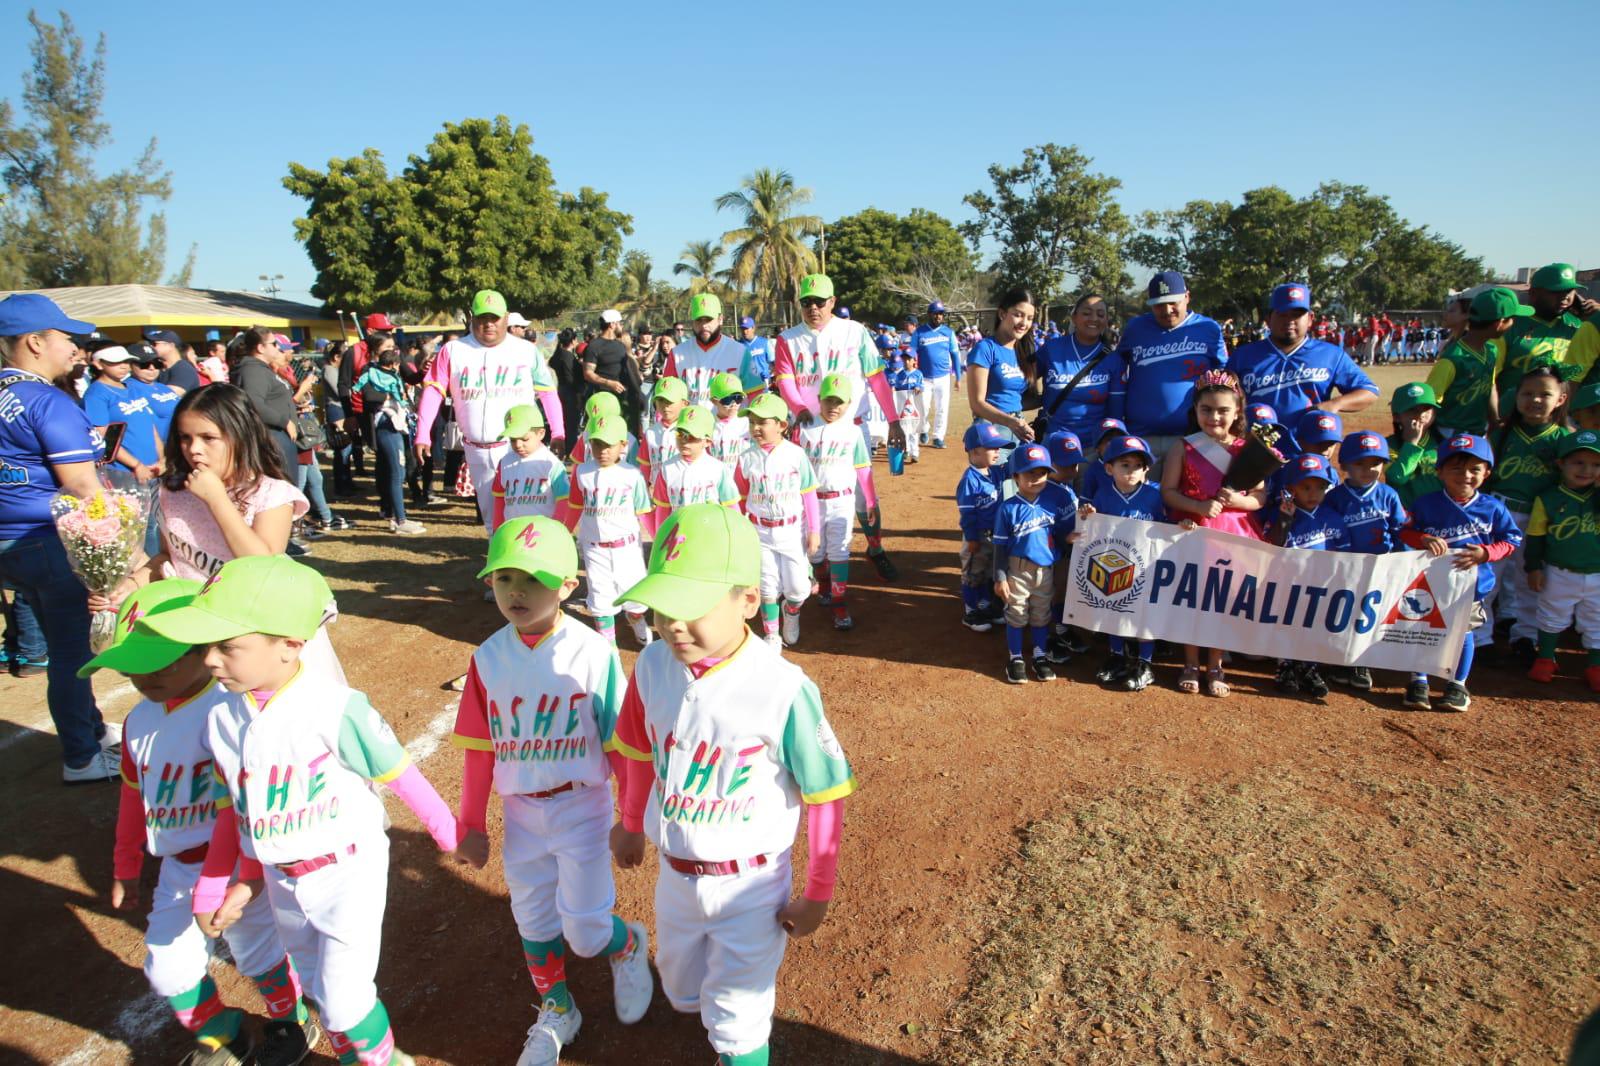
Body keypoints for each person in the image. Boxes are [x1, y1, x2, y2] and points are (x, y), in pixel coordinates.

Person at [143, 555, 463, 1066]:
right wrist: (228, 884)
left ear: (290, 645)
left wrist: (450, 835)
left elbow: (400, 774)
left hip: (347, 871)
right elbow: (236, 812)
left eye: (228, 646)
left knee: (344, 999)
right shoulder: (221, 717)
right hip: (281, 881)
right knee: (317, 988)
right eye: (207, 646)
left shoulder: (334, 707)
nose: (211, 661)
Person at [609, 503, 856, 1066]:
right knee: (683, 990)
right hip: (675, 876)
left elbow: (825, 794)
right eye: (664, 603)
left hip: (752, 888)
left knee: (737, 1020)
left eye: (693, 604)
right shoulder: (651, 665)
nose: (673, 622)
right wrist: (630, 822)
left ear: (748, 600)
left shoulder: (782, 688)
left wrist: (817, 891)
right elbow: (637, 751)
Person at [89, 580, 320, 1066]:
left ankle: (290, 1020)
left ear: (204, 651)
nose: (145, 676)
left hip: (237, 864)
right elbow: (132, 797)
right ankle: (222, 1031)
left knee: (258, 952)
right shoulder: (138, 722)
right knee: (167, 968)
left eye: (162, 662)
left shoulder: (229, 709)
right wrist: (126, 864)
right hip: (178, 868)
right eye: (134, 666)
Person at [450, 517, 654, 1066]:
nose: (516, 591)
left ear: (567, 585)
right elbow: (479, 750)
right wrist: (471, 823)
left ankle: (626, 943)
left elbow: (620, 744)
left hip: (581, 806)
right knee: (534, 918)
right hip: (521, 812)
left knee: (585, 932)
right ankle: (558, 1008)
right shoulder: (487, 658)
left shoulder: (591, 652)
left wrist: (631, 819)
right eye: (505, 577)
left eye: (534, 579)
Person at [0, 293, 121, 782]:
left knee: (58, 644)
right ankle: (81, 756)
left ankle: (92, 730)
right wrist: (117, 547)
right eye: (65, 338)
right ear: (35, 342)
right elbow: (83, 486)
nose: (75, 348)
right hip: (48, 540)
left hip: (12, 544)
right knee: (72, 653)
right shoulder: (46, 400)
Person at [769, 274, 903, 581]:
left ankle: (875, 548)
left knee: (863, 496)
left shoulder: (854, 331)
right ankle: (815, 562)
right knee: (806, 493)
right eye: (806, 302)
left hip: (851, 426)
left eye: (819, 302)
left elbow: (876, 377)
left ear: (832, 302)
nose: (813, 308)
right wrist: (798, 408)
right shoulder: (788, 339)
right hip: (808, 429)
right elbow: (785, 380)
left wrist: (893, 420)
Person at [415, 290, 567, 532]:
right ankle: (496, 552)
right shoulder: (453, 350)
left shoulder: (526, 350)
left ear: (506, 317)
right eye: (482, 318)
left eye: (494, 318)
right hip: (476, 449)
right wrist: (423, 433)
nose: (489, 324)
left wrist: (558, 432)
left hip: (517, 448)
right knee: (491, 519)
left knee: (526, 514)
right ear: (471, 318)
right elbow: (433, 390)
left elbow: (548, 392)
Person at [1160, 369, 1266, 696]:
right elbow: (1168, 492)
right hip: (1195, 529)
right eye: (1206, 409)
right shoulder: (1183, 448)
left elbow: (1260, 497)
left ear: (1237, 412)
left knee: (1223, 601)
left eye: (1223, 410)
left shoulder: (1248, 449)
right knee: (1192, 600)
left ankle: (1217, 664)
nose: (1214, 417)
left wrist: (1238, 501)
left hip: (1234, 534)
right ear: (1195, 410)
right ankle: (1191, 662)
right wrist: (1199, 506)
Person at [1398, 435, 1521, 712]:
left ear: (1487, 473)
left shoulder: (1492, 507)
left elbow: (1511, 539)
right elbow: (1404, 531)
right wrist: (1423, 538)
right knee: (1421, 630)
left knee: (1463, 634)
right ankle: (1419, 680)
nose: (1465, 475)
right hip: (1429, 583)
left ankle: (1457, 684)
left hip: (1471, 586)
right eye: (1456, 468)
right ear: (1439, 471)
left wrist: (1487, 553)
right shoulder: (1426, 504)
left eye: (1474, 469)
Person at [1485, 361, 1570, 659]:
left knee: (1529, 578)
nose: (1535, 400)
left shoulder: (1563, 440)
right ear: (1516, 397)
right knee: (1489, 578)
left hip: (1537, 519)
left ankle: (1525, 636)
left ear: (1560, 399)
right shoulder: (1502, 434)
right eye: (1527, 393)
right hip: (1498, 512)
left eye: (1545, 394)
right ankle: (1480, 637)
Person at [1075, 435, 1166, 690]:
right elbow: (1093, 531)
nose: (1132, 470)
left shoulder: (1155, 494)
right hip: (1115, 566)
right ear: (1109, 468)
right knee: (1113, 611)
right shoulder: (1104, 495)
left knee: (1145, 616)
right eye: (1124, 465)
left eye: (1138, 465)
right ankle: (1117, 656)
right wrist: (1089, 516)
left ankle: (1145, 663)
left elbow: (1166, 526)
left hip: (1146, 566)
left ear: (1146, 469)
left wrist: (1181, 526)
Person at [733, 393, 821, 650]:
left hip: (791, 529)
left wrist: (814, 530)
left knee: (798, 589)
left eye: (763, 422)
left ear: (782, 425)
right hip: (759, 530)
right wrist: (741, 531)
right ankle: (771, 633)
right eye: (752, 422)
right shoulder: (746, 457)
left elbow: (809, 493)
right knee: (767, 586)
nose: (756, 428)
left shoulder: (796, 454)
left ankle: (791, 611)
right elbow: (741, 498)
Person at [1118, 271, 1228, 475]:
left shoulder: (1208, 328)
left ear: (1187, 297)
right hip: (1142, 437)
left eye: (1173, 302)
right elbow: (1117, 371)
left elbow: (1223, 379)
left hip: (1193, 437)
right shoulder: (1135, 328)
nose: (1167, 310)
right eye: (1159, 305)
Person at [1324, 431, 1407, 692]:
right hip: (1345, 568)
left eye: (1375, 463)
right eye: (1359, 463)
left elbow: (1400, 531)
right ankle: (1339, 660)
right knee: (1343, 612)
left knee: (1369, 615)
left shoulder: (1388, 495)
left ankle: (1362, 662)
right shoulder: (1335, 497)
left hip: (1379, 567)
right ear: (1344, 465)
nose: (1368, 469)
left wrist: (1401, 561)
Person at [563, 415, 654, 649]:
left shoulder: (632, 475)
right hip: (594, 547)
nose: (602, 450)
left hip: (627, 547)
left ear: (623, 445)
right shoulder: (581, 472)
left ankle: (636, 619)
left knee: (634, 597)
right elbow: (574, 507)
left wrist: (658, 538)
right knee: (600, 598)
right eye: (596, 443)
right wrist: (564, 532)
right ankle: (609, 647)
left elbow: (644, 512)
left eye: (609, 444)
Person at [798, 374, 881, 632]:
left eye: (839, 402)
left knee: (839, 551)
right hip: (811, 502)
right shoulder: (804, 428)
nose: (833, 407)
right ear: (819, 399)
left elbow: (863, 468)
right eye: (829, 400)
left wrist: (870, 500)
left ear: (849, 404)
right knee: (815, 552)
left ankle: (839, 602)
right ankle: (823, 582)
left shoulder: (853, 432)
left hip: (841, 500)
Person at [1230, 283, 1378, 424]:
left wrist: (1334, 404)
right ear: (1268, 319)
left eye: (1297, 315)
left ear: (1310, 319)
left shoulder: (1331, 354)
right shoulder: (1242, 356)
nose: (1290, 321)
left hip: (1310, 440)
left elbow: (1369, 391)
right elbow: (1222, 398)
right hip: (1255, 440)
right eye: (1282, 314)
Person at [992, 442, 1076, 684]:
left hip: (1045, 570)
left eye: (1042, 473)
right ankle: (1016, 658)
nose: (1036, 478)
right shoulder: (1008, 508)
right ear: (1015, 476)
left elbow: (1055, 536)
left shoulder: (1050, 504)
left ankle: (1039, 656)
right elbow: (999, 546)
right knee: (1017, 614)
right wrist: (1000, 577)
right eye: (1029, 473)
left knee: (1041, 615)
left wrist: (1067, 539)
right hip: (1017, 570)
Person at [1267, 454, 1348, 698]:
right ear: (1291, 489)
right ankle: (1285, 667)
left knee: (1315, 625)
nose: (1314, 493)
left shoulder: (1332, 517)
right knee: (1287, 625)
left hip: (1323, 584)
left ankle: (1308, 667)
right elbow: (1273, 547)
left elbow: (1345, 554)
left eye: (1320, 487)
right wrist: (1284, 519)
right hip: (1289, 584)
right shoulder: (1282, 515)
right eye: (1306, 487)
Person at [1524, 430, 1600, 690]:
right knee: (1552, 614)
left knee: (1597, 620)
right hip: (1559, 571)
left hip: (1598, 573)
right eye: (1578, 462)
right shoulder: (1548, 498)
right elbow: (1535, 537)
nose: (1586, 470)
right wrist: (1533, 567)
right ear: (1561, 463)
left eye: (1596, 464)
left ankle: (1595, 665)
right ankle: (1546, 658)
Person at [1426, 286, 1529, 435]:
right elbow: (1430, 400)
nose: (1513, 323)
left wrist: (1494, 420)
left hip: (1479, 431)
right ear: (1499, 323)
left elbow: (1489, 385)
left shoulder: (1491, 351)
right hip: (1450, 433)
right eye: (1512, 319)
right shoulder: (1453, 359)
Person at [1034, 293, 1125, 444]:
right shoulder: (1051, 349)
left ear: (1106, 320)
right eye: (1087, 313)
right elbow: (1020, 385)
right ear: (1074, 317)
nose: (1094, 318)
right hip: (1052, 444)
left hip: (1094, 448)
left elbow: (1115, 414)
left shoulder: (1113, 359)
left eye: (1100, 314)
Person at [356, 339, 425, 535]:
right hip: (386, 425)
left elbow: (412, 379)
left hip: (397, 425)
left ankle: (396, 514)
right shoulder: (370, 371)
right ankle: (399, 520)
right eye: (387, 347)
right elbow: (368, 395)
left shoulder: (394, 371)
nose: (392, 350)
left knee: (399, 472)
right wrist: (391, 395)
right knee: (396, 472)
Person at [1495, 262, 1586, 408]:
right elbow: (1488, 379)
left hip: (1560, 415)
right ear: (1533, 294)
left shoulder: (1578, 326)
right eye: (1556, 291)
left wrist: (1595, 317)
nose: (1565, 297)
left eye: (1570, 291)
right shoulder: (1509, 325)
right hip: (1511, 413)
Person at [227, 326, 301, 484]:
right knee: (281, 488)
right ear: (260, 348)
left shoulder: (260, 369)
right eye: (273, 344)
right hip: (271, 438)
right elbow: (253, 403)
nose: (277, 347)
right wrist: (285, 422)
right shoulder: (252, 370)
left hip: (276, 438)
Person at [965, 287, 1037, 445]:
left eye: (1030, 318)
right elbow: (977, 403)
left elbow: (1016, 399)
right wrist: (1010, 422)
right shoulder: (985, 348)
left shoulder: (1024, 352)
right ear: (1002, 314)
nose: (1024, 323)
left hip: (1018, 428)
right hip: (991, 429)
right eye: (1018, 315)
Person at [648, 406, 739, 530]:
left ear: (707, 442)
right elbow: (663, 508)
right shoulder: (667, 468)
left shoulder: (718, 468)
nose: (684, 440)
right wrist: (661, 537)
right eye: (680, 434)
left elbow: (731, 507)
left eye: (692, 436)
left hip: (710, 532)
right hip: (679, 532)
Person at [956, 423, 1007, 632]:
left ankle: (986, 607)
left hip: (994, 535)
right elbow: (967, 514)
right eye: (992, 448)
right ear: (975, 451)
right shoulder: (969, 480)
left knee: (988, 572)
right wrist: (971, 538)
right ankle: (971, 612)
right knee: (973, 574)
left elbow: (1013, 468)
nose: (998, 451)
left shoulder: (994, 473)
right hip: (977, 536)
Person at [660, 294, 748, 410]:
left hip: (730, 421)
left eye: (708, 319)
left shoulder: (740, 352)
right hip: (690, 420)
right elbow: (668, 395)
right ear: (692, 321)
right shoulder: (676, 354)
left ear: (720, 319)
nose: (704, 325)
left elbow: (755, 392)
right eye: (699, 320)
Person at [489, 404, 567, 533]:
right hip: (512, 532)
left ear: (541, 434)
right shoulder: (504, 463)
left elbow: (564, 499)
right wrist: (497, 529)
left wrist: (555, 530)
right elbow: (499, 498)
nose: (518, 445)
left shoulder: (551, 464)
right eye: (513, 440)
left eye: (524, 439)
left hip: (542, 534)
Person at [912, 300, 963, 447]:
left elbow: (955, 355)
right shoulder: (919, 332)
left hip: (943, 376)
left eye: (941, 314)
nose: (938, 316)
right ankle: (923, 429)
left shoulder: (948, 332)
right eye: (935, 313)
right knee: (923, 407)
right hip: (924, 377)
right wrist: (913, 375)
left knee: (942, 408)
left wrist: (958, 377)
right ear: (929, 314)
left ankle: (938, 437)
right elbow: (912, 354)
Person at [581, 310, 642, 433]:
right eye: (619, 323)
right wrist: (609, 383)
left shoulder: (620, 345)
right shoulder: (594, 346)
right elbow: (588, 373)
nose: (621, 326)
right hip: (603, 399)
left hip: (623, 398)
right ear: (612, 324)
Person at [1386, 382, 1444, 509]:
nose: (1421, 414)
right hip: (1405, 515)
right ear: (1396, 416)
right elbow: (1397, 478)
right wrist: (1411, 443)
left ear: (1434, 413)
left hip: (1440, 513)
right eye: (1413, 410)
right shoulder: (1387, 445)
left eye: (1426, 408)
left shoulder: (1443, 444)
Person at [548, 329, 586, 445]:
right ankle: (570, 449)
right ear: (573, 340)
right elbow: (571, 379)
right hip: (571, 394)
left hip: (560, 391)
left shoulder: (557, 355)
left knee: (563, 423)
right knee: (571, 426)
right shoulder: (569, 357)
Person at [707, 372, 751, 467]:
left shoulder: (748, 423)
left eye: (738, 398)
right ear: (714, 401)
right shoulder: (708, 425)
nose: (734, 403)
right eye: (727, 400)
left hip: (741, 475)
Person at [145, 328, 202, 394]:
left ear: (171, 346)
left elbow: (169, 395)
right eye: (149, 343)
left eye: (154, 344)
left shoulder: (184, 368)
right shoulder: (159, 368)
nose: (150, 346)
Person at [890, 354, 924, 464]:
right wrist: (894, 389)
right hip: (903, 406)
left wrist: (919, 387)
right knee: (904, 429)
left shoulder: (918, 374)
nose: (906, 362)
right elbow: (896, 388)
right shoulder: (900, 374)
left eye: (908, 359)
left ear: (914, 360)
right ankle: (906, 449)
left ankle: (915, 453)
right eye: (904, 359)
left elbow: (922, 386)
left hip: (913, 406)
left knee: (913, 428)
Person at [738, 315, 771, 388]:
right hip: (746, 384)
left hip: (763, 382)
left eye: (747, 328)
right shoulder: (738, 345)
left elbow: (773, 362)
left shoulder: (764, 342)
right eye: (742, 329)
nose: (744, 331)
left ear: (753, 328)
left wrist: (768, 374)